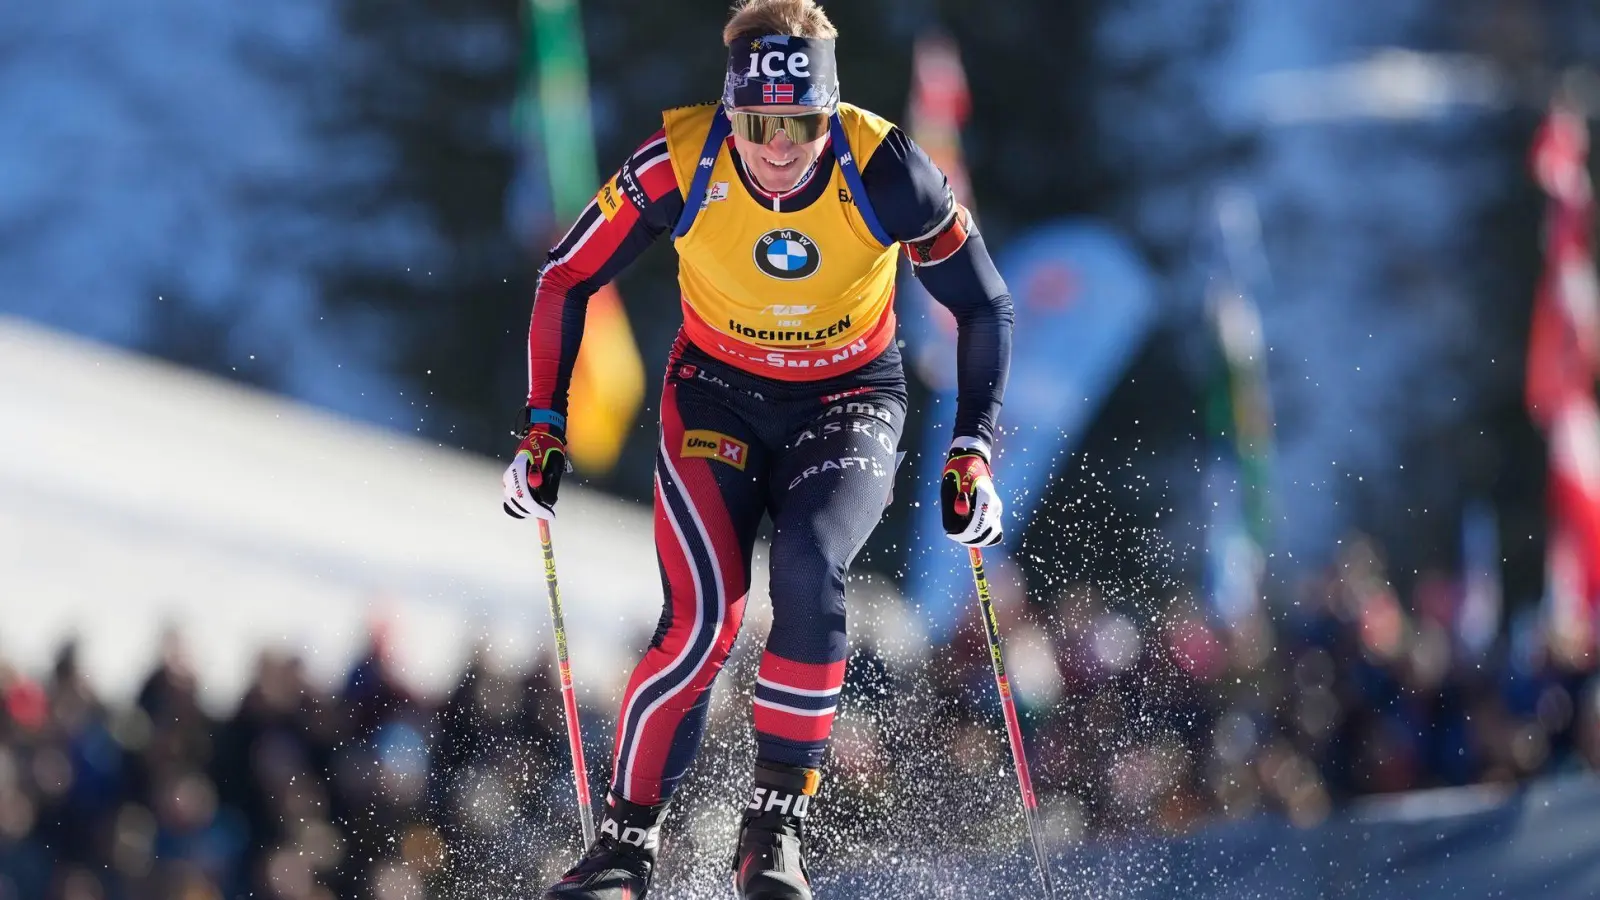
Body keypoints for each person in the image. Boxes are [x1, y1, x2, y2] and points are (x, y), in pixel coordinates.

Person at [501, 0, 1012, 896]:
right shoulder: (681, 159)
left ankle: (772, 831)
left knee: (811, 568)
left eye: (802, 123)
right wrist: (544, 425)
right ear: (732, 112)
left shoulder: (885, 165)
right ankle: (623, 844)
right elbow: (567, 273)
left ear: (831, 111)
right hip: (718, 397)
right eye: (760, 124)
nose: (779, 148)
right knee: (702, 622)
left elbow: (984, 303)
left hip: (849, 397)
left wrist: (971, 446)